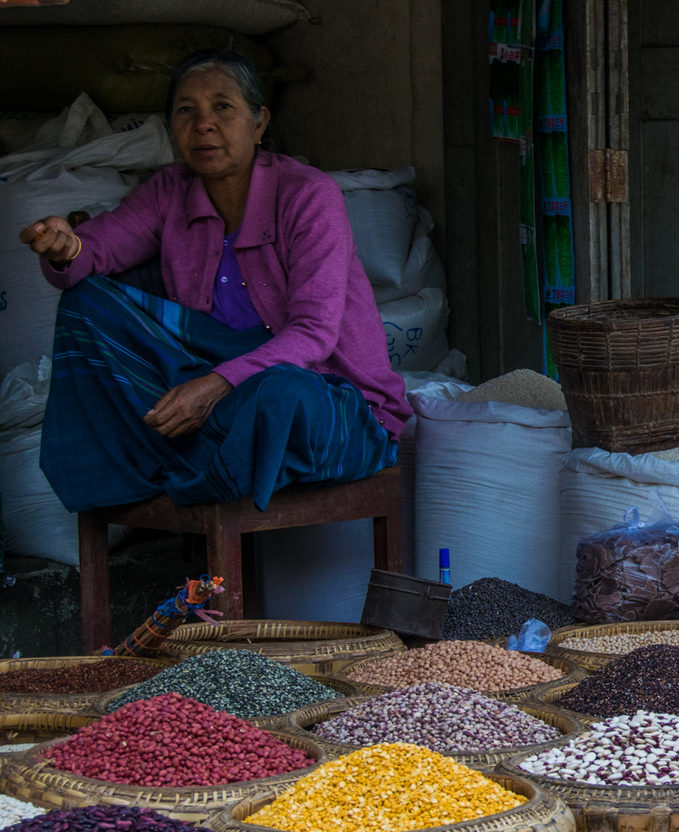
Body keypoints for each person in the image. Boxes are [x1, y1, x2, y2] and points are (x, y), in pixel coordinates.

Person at [17, 48, 409, 514]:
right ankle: (188, 459)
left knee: (281, 395)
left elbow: (314, 334)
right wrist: (66, 248)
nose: (203, 123)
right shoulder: (170, 191)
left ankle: (204, 463)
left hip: (330, 399)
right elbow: (96, 249)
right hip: (220, 390)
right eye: (186, 110)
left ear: (259, 122)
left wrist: (217, 385)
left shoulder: (308, 195)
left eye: (223, 106)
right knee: (86, 302)